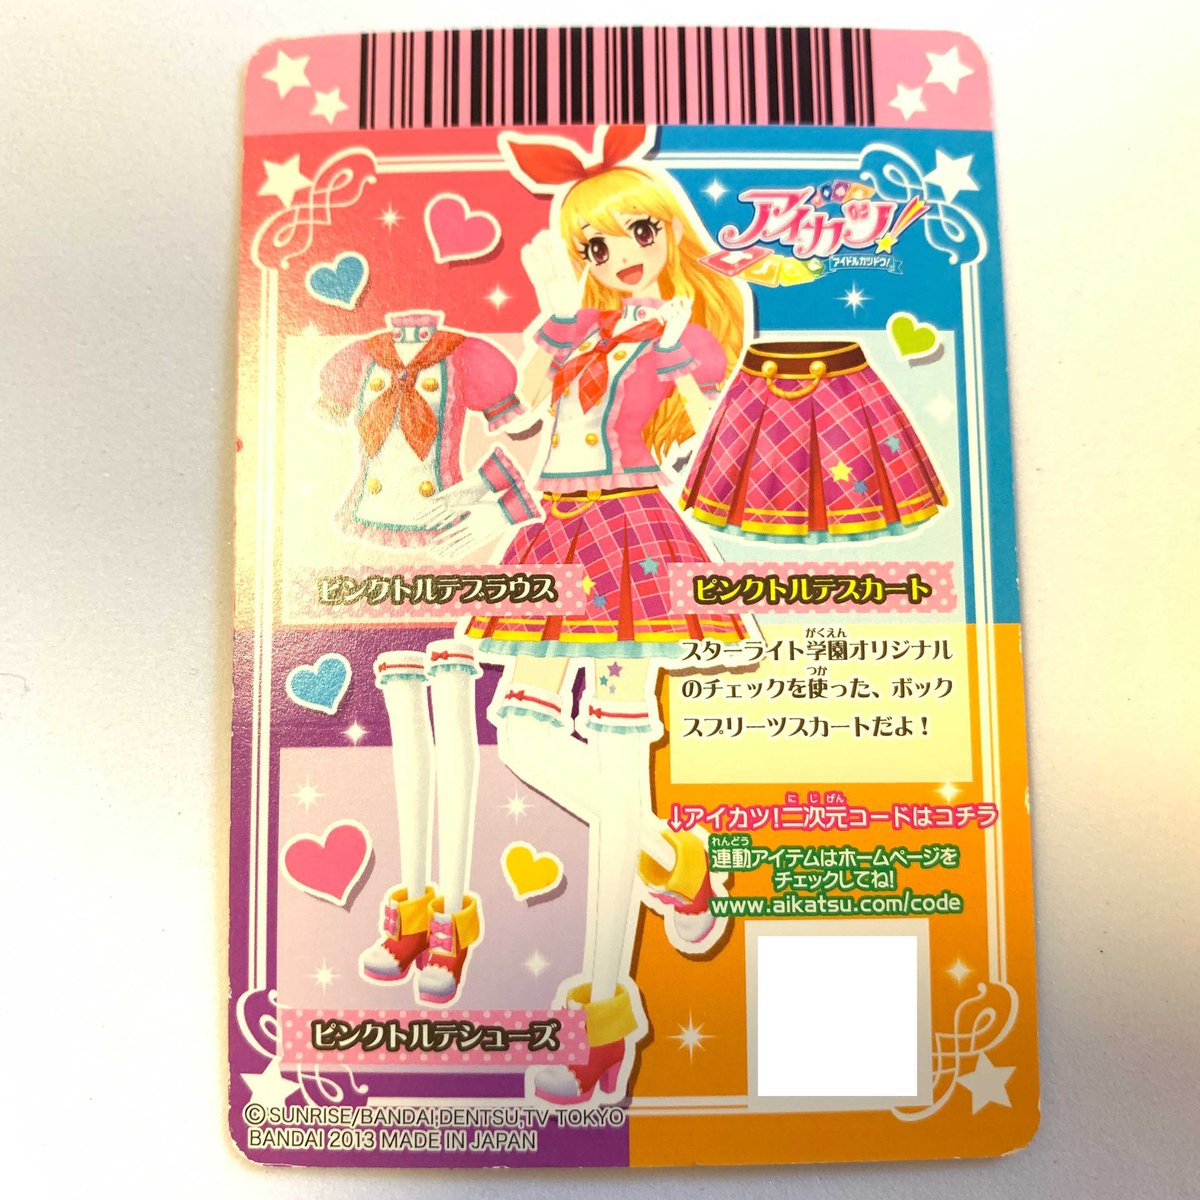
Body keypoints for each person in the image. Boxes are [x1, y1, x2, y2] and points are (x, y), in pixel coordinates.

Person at [440, 124, 751, 1105]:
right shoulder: (567, 333)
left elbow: (717, 422)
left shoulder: (680, 334)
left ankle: (602, 1023)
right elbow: (526, 422)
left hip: (631, 537)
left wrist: (682, 350)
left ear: (668, 236)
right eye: (596, 243)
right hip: (554, 532)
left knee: (616, 756)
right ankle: (672, 858)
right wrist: (552, 324)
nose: (621, 256)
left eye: (639, 234)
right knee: (524, 735)